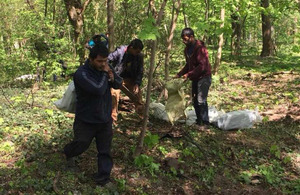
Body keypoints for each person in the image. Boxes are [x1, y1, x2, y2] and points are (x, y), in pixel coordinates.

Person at [63, 43, 122, 186]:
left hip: (104, 118)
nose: (103, 64)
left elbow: (118, 83)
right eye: (99, 61)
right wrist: (105, 74)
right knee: (81, 144)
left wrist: (112, 76)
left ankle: (103, 178)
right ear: (91, 59)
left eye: (105, 61)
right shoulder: (81, 73)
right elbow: (98, 90)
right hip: (86, 119)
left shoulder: (106, 67)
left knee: (105, 150)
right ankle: (68, 153)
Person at [175, 28, 212, 130]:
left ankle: (205, 123)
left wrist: (188, 74)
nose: (184, 41)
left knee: (201, 100)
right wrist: (179, 74)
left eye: (185, 39)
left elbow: (202, 66)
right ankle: (199, 121)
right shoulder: (187, 50)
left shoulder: (200, 48)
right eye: (182, 39)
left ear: (191, 37)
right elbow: (188, 65)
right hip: (195, 77)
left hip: (204, 77)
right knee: (195, 99)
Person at [108, 39, 144, 124]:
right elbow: (108, 59)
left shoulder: (139, 56)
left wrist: (137, 83)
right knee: (114, 94)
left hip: (131, 79)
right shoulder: (120, 51)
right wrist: (109, 71)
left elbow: (140, 71)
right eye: (136, 51)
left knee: (137, 96)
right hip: (118, 78)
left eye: (139, 51)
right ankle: (113, 118)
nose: (138, 53)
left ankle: (142, 117)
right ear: (131, 48)